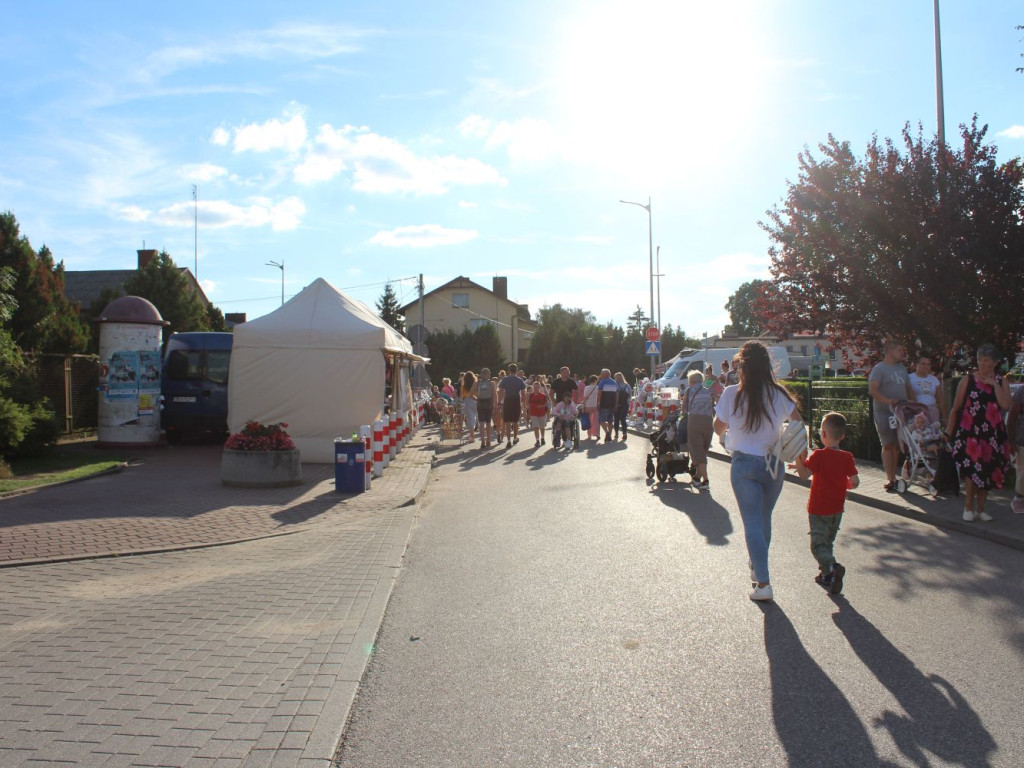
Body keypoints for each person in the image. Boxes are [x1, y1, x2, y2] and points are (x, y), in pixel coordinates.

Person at [713, 341, 802, 602]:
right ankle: (758, 565)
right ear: (767, 366)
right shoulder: (779, 393)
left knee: (752, 522)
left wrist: (724, 434)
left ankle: (762, 582)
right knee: (764, 520)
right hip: (774, 465)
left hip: (744, 465)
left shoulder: (732, 394)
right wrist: (800, 456)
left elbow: (718, 426)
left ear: (742, 365)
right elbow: (798, 424)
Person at [944, 343, 1013, 522]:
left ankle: (981, 509)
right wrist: (949, 432)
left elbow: (1006, 405)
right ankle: (968, 507)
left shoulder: (1001, 381)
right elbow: (956, 408)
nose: (983, 364)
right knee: (973, 470)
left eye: (987, 361)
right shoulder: (968, 380)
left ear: (995, 363)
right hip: (970, 433)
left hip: (993, 434)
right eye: (981, 360)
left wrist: (994, 385)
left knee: (989, 470)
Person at [793, 412, 860, 595]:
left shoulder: (819, 456)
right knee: (828, 542)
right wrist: (843, 484)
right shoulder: (847, 457)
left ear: (822, 434)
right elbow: (855, 482)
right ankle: (826, 576)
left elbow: (804, 474)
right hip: (837, 509)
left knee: (817, 545)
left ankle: (832, 567)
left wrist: (799, 459)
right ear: (843, 436)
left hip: (818, 508)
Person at [868, 340, 916, 493]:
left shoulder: (902, 369)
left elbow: (908, 389)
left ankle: (895, 478)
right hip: (884, 411)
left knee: (897, 444)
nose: (903, 352)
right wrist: (888, 401)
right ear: (890, 351)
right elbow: (873, 390)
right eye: (900, 349)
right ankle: (890, 479)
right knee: (888, 443)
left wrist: (913, 404)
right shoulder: (879, 369)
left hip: (900, 411)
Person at [682, 370, 715, 490]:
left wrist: (682, 416)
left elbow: (684, 407)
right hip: (708, 422)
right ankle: (697, 477)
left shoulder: (689, 390)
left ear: (691, 381)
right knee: (703, 450)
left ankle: (705, 480)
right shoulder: (707, 391)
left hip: (695, 421)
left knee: (697, 450)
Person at [908, 354, 947, 425]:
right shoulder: (909, 378)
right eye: (923, 364)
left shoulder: (934, 379)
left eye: (928, 364)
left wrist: (945, 418)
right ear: (916, 365)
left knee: (932, 434)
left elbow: (941, 401)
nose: (925, 366)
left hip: (932, 411)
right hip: (916, 412)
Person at [498, 363, 527, 449]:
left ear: (508, 370)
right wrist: (523, 404)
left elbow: (501, 391)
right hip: (516, 400)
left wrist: (500, 402)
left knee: (507, 421)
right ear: (516, 370)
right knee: (515, 421)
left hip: (507, 400)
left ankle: (508, 440)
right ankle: (515, 438)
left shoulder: (504, 379)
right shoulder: (520, 380)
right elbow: (523, 393)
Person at [1008, 382, 1024, 515]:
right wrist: (1011, 441)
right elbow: (1012, 417)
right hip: (1023, 440)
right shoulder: (1022, 391)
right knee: (1022, 473)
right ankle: (1018, 500)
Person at [473, 367, 495, 448]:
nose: (485, 375)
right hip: (487, 402)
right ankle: (487, 440)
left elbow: (470, 393)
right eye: (484, 374)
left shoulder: (478, 383)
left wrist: (476, 398)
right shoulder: (491, 383)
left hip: (482, 403)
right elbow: (494, 395)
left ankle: (484, 440)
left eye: (486, 374)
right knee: (487, 423)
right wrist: (495, 405)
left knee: (483, 423)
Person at [596, 368, 619, 442]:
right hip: (612, 404)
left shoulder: (602, 383)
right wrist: (616, 404)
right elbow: (617, 394)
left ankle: (607, 432)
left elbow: (599, 394)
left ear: (604, 374)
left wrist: (598, 403)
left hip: (604, 404)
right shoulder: (614, 382)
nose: (601, 375)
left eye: (601, 374)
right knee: (610, 420)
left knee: (602, 420)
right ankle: (610, 434)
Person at [527, 381, 550, 447]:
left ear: (540, 387)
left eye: (537, 387)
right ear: (533, 387)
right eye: (535, 387)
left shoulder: (543, 395)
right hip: (533, 414)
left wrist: (541, 406)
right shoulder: (531, 395)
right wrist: (528, 414)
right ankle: (537, 440)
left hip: (542, 414)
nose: (536, 388)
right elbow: (528, 404)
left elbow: (546, 403)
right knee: (536, 427)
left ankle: (542, 438)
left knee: (542, 427)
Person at [460, 370, 478, 444]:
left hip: (467, 402)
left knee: (470, 419)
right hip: (476, 401)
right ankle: (477, 431)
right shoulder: (476, 384)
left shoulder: (463, 386)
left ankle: (472, 437)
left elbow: (462, 395)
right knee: (477, 417)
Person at [613, 371, 631, 441]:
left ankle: (616, 433)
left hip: (616, 404)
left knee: (616, 419)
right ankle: (624, 433)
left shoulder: (615, 384)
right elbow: (630, 395)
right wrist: (628, 403)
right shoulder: (627, 385)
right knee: (623, 419)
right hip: (625, 404)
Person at [581, 375, 600, 440]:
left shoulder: (586, 388)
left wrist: (583, 407)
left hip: (588, 405)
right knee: (596, 420)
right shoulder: (598, 388)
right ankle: (597, 434)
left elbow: (585, 398)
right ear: (596, 380)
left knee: (588, 420)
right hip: (595, 406)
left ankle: (589, 435)